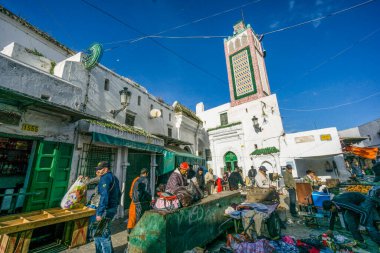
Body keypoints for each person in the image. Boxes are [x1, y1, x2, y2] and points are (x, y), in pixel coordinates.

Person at [94, 161, 121, 253]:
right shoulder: (114, 178)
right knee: (99, 233)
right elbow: (119, 193)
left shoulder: (105, 178)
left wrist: (100, 212)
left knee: (102, 235)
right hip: (112, 208)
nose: (97, 171)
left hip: (106, 209)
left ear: (105, 169)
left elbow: (104, 196)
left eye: (99, 169)